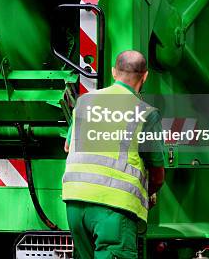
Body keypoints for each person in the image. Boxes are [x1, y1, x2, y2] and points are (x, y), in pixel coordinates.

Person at [62, 50, 165, 259]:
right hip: (114, 210)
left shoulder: (84, 102)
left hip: (74, 204)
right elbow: (157, 175)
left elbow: (68, 147)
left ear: (112, 73)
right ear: (145, 76)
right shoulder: (146, 113)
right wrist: (148, 193)